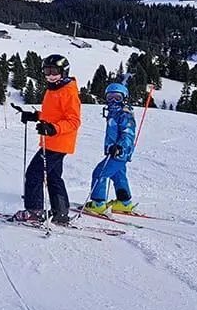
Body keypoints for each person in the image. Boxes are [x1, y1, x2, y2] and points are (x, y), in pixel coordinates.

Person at [14, 54, 81, 225]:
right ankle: (60, 213)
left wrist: (53, 128)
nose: (51, 75)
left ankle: (34, 211)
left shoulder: (68, 92)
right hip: (52, 141)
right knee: (53, 177)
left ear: (64, 71)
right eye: (47, 71)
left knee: (34, 173)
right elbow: (53, 114)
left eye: (55, 71)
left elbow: (73, 121)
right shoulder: (54, 89)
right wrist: (35, 116)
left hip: (58, 141)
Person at [82, 83, 137, 215]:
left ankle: (98, 203)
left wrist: (120, 147)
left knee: (100, 173)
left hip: (119, 152)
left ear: (124, 98)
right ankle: (124, 202)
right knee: (118, 175)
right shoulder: (113, 113)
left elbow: (128, 133)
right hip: (116, 152)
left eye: (117, 98)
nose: (113, 101)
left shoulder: (125, 114)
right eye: (110, 97)